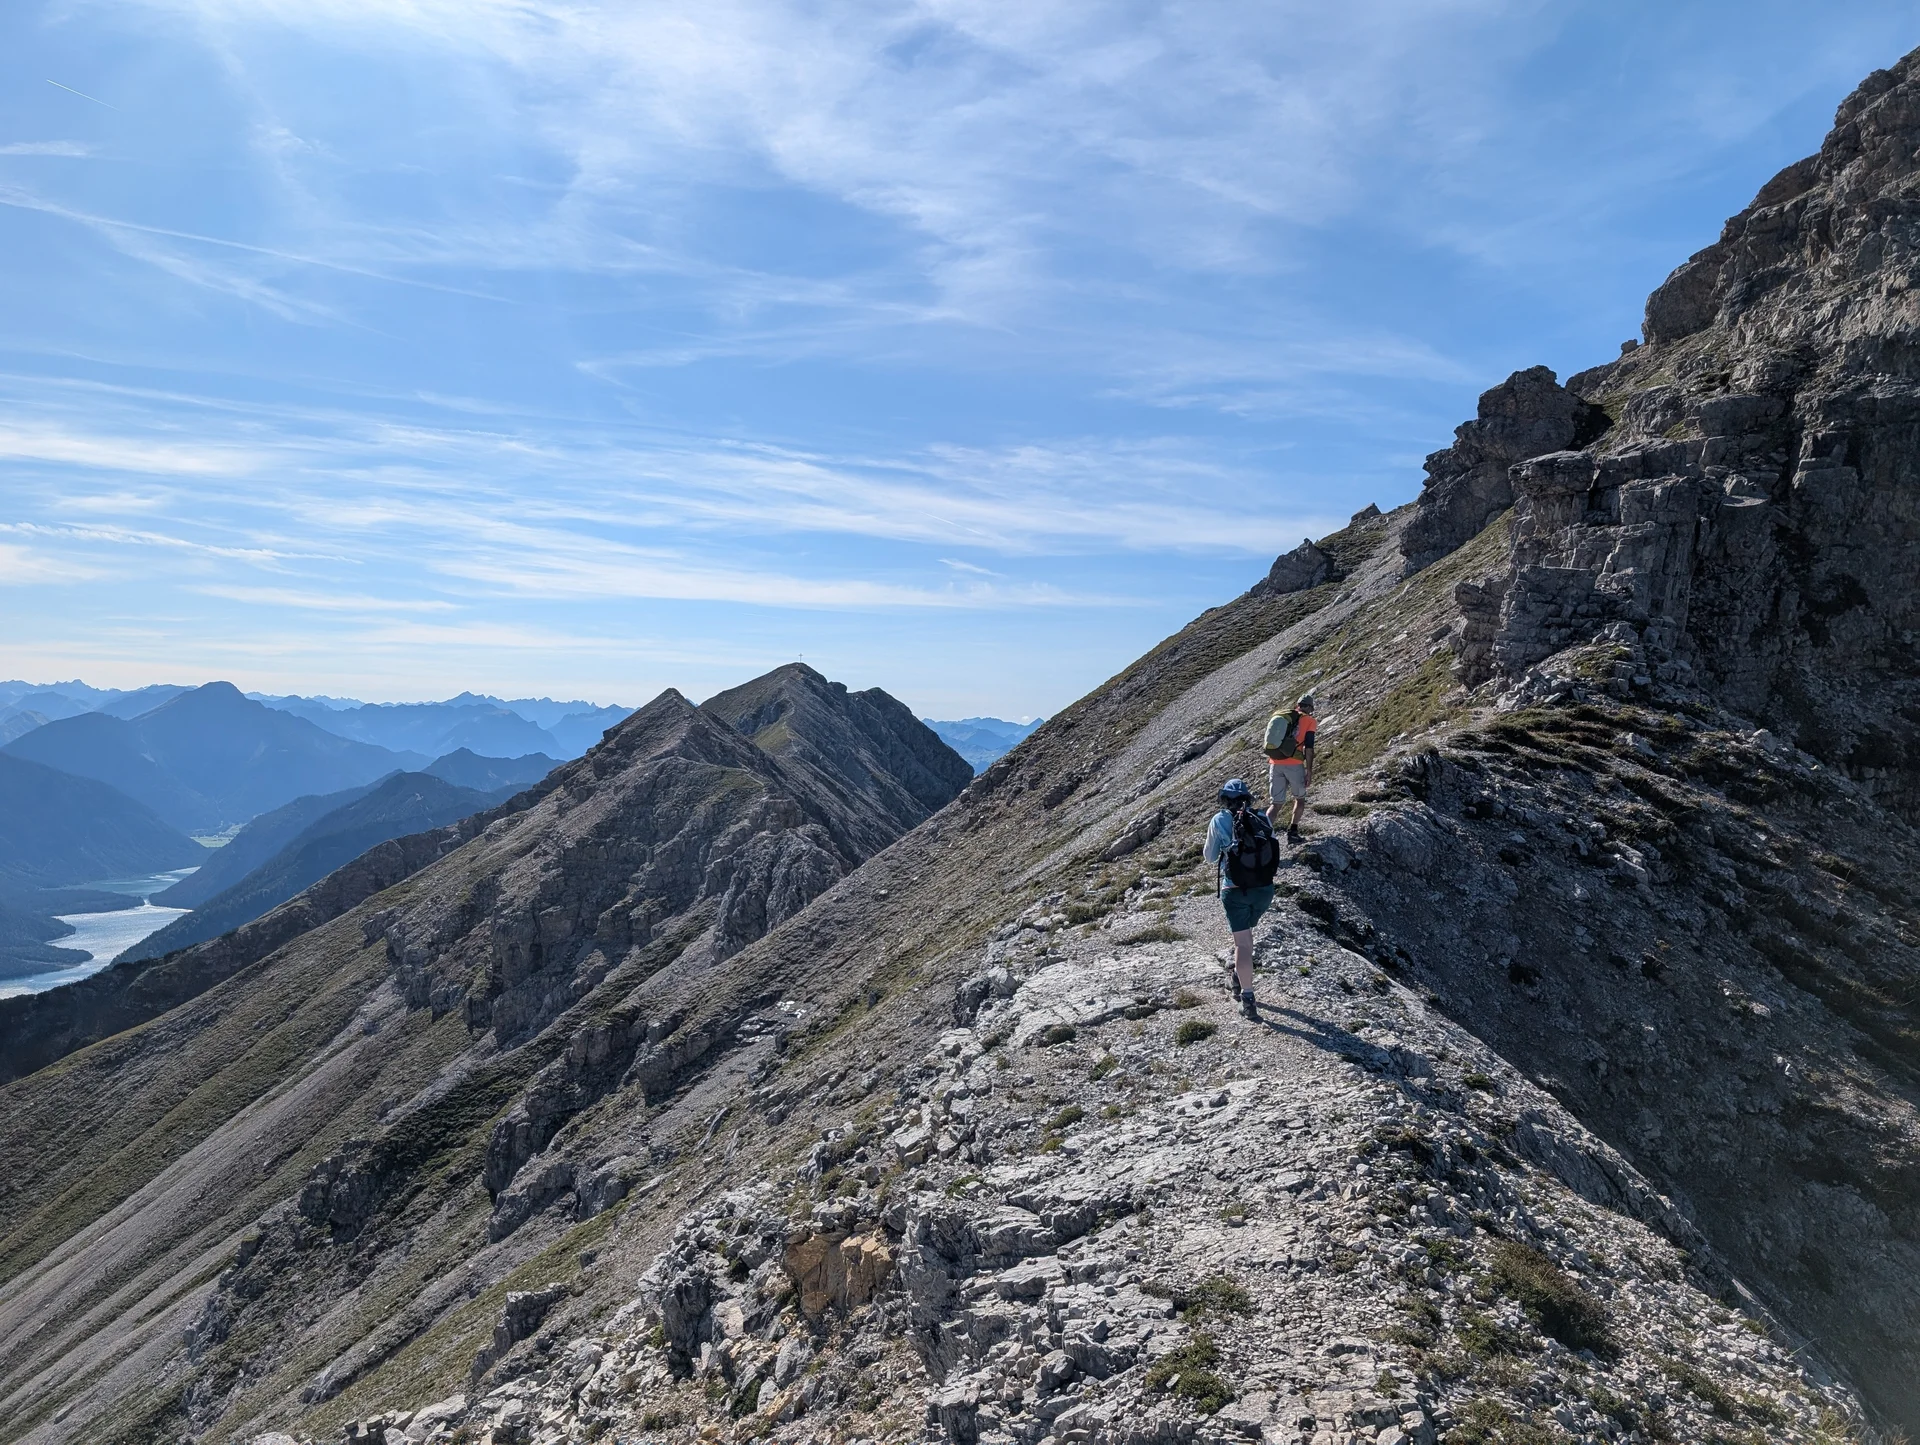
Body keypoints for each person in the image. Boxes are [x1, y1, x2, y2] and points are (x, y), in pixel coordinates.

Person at [1204, 778, 1279, 1020]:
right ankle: (1238, 977)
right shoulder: (1262, 817)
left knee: (1242, 944)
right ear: (1247, 798)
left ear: (1224, 799)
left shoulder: (1219, 820)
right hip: (1264, 889)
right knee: (1247, 936)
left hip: (1235, 889)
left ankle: (1247, 998)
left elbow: (1209, 856)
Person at [1263, 693, 1317, 845]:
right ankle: (1293, 833)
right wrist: (1309, 771)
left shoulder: (1284, 716)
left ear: (1297, 705)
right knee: (1300, 799)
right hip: (1294, 764)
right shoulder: (1309, 721)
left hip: (1275, 762)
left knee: (1276, 804)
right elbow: (1309, 748)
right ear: (1310, 708)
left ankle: (1262, 837)